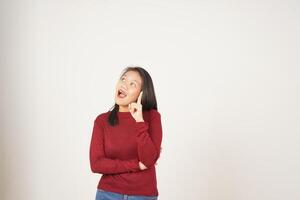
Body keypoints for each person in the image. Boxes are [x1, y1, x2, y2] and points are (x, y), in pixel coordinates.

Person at [89, 66, 163, 200]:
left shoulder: (152, 117)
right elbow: (96, 164)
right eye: (123, 79)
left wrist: (139, 121)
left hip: (143, 195)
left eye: (132, 84)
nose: (124, 85)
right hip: (108, 193)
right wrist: (135, 165)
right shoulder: (102, 121)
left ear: (142, 93)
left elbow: (148, 159)